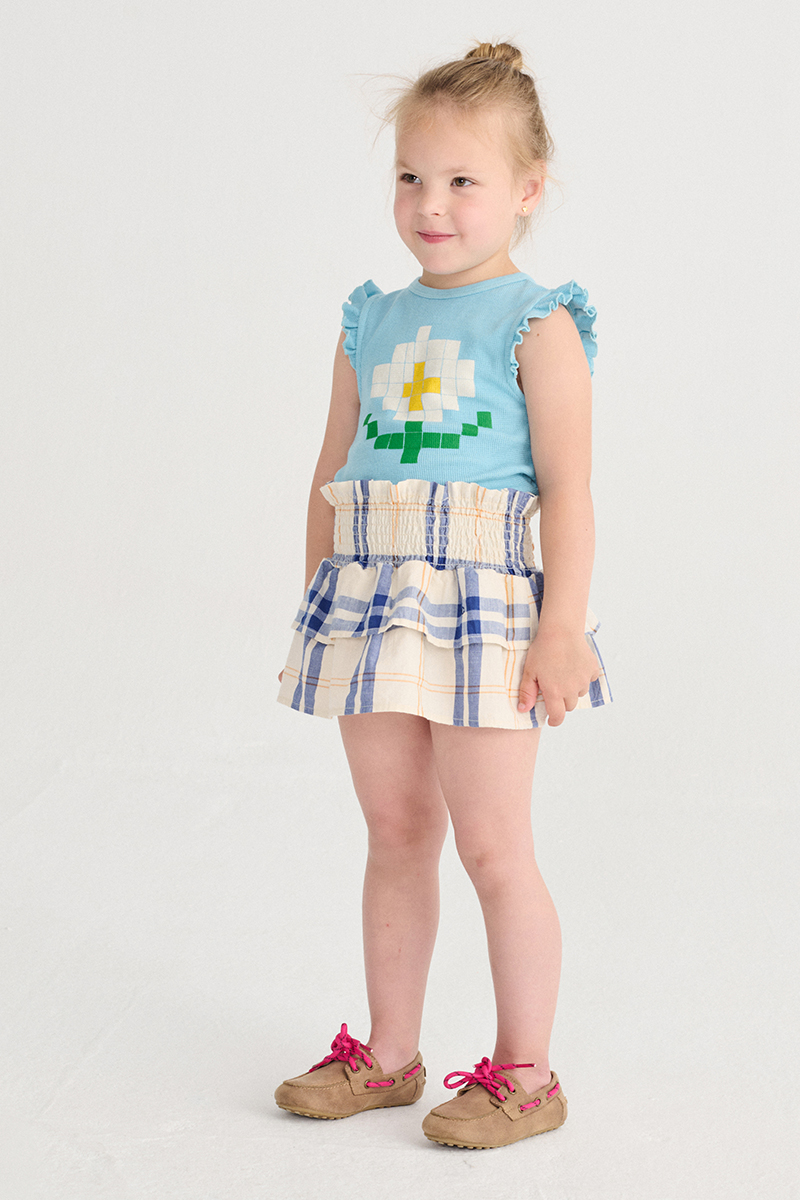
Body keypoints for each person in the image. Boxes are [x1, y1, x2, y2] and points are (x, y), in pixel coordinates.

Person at [273, 40, 612, 1150]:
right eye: (411, 177)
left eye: (463, 180)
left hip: (482, 610)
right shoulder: (368, 321)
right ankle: (388, 1054)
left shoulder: (537, 321)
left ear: (526, 190)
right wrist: (318, 599)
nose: (430, 203)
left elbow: (567, 491)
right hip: (369, 601)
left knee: (493, 847)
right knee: (396, 828)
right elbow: (332, 469)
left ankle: (525, 1074)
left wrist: (561, 628)